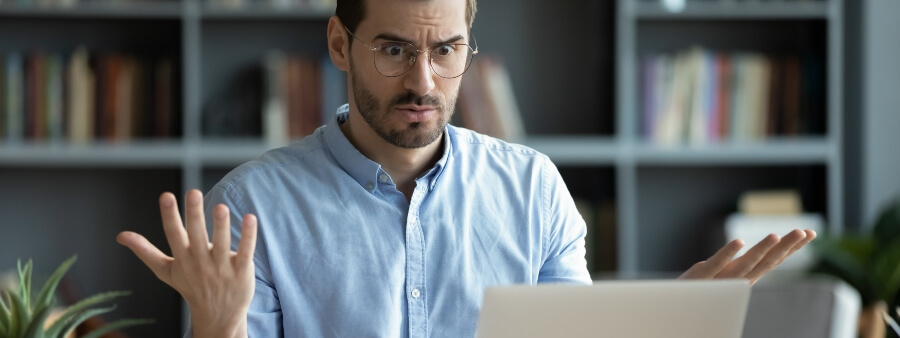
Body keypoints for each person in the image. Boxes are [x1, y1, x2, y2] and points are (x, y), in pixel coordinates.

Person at [116, 0, 817, 336]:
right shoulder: (253, 206)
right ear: (340, 42)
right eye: (393, 50)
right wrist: (216, 328)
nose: (423, 81)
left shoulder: (533, 188)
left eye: (446, 51)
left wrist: (664, 323)